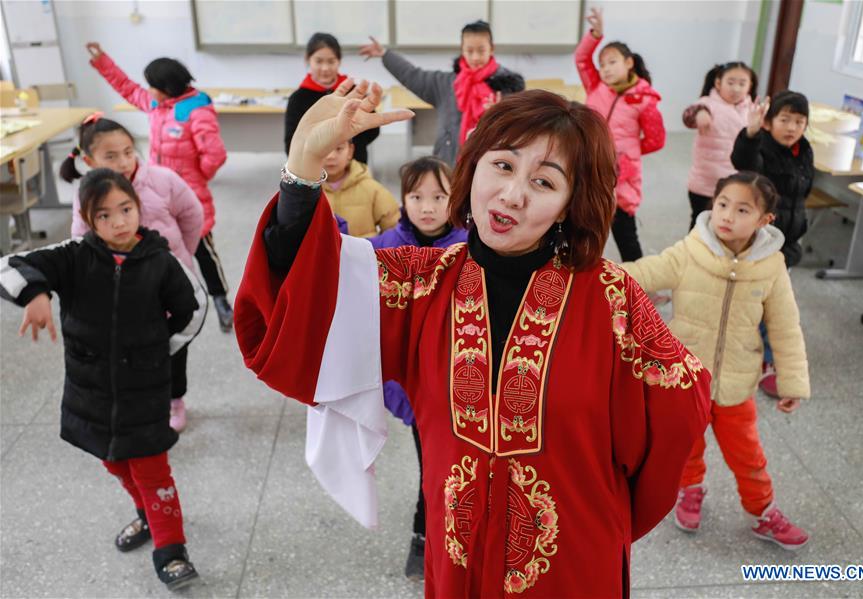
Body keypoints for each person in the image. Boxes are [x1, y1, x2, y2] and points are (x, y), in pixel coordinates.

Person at [234, 80, 711, 597]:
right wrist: (303, 168)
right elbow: (306, 296)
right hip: (457, 555)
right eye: (502, 165)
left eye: (545, 183)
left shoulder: (612, 300)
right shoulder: (418, 284)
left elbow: (677, 410)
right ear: (474, 165)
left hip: (570, 561)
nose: (512, 195)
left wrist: (607, 519)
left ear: (571, 205)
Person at [0, 169, 206, 590]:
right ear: (90, 221)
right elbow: (9, 265)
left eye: (126, 209)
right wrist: (36, 294)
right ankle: (148, 514)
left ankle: (171, 549)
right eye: (105, 215)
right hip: (90, 391)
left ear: (138, 207)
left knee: (153, 471)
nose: (119, 222)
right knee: (114, 459)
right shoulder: (74, 255)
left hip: (145, 391)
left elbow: (195, 307)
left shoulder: (160, 261)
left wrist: (159, 352)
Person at [621, 171, 810, 551]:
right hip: (685, 382)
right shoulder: (690, 251)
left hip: (736, 386)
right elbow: (642, 272)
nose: (727, 215)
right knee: (686, 448)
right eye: (722, 204)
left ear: (764, 221)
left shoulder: (771, 268)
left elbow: (786, 326)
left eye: (742, 210)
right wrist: (591, 274)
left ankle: (763, 511)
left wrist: (792, 382)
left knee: (749, 456)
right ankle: (690, 490)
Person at [61, 114, 203, 432]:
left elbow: (193, 216)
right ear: (88, 160)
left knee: (174, 351)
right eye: (111, 156)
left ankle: (174, 399)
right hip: (124, 297)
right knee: (134, 353)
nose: (124, 162)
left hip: (168, 290)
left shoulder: (163, 180)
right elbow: (81, 243)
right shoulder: (86, 195)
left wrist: (181, 258)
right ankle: (142, 400)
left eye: (128, 151)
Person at [85, 42, 234, 332]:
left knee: (203, 251)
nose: (148, 89)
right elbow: (127, 88)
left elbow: (215, 155)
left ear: (167, 86)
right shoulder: (156, 103)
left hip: (189, 193)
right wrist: (102, 60)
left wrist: (197, 177)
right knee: (159, 246)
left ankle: (221, 300)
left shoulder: (197, 109)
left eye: (153, 85)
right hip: (153, 189)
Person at [368, 155, 467, 580]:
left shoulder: (471, 245)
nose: (427, 207)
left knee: (461, 466)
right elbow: (342, 265)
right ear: (402, 198)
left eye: (439, 197)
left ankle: (462, 536)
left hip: (463, 379)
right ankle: (423, 535)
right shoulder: (387, 244)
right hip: (416, 383)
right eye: (416, 196)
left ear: (456, 198)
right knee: (433, 465)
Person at [731, 90, 814, 397]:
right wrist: (750, 134)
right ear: (769, 122)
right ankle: (768, 361)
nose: (792, 127)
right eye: (784, 119)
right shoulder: (762, 147)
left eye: (799, 121)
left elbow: (804, 192)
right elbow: (743, 163)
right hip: (761, 242)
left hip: (787, 242)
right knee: (767, 304)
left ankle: (759, 351)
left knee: (772, 304)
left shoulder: (804, 150)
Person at [359, 20, 525, 163]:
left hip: (488, 168)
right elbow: (412, 75)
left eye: (481, 50)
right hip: (449, 167)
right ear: (462, 49)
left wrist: (497, 113)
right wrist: (385, 54)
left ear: (492, 48)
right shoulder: (447, 84)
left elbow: (519, 132)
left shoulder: (508, 88)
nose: (475, 57)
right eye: (469, 51)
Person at [574, 6, 665, 262]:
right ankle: (583, 278)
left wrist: (628, 153)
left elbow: (657, 140)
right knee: (585, 228)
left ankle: (639, 283)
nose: (605, 68)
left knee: (625, 234)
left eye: (612, 62)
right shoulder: (595, 85)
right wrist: (595, 34)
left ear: (628, 63)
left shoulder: (644, 99)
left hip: (622, 177)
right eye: (602, 64)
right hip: (590, 167)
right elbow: (582, 59)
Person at [284, 32, 380, 163]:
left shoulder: (355, 92)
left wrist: (349, 148)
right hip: (314, 168)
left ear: (339, 61)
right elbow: (291, 144)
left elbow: (372, 130)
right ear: (308, 59)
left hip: (353, 163)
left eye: (331, 61)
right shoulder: (298, 99)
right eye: (318, 61)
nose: (325, 68)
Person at [683, 62, 757, 229]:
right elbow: (688, 115)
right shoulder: (707, 104)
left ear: (750, 85)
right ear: (718, 83)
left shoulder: (751, 109)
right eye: (730, 83)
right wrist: (699, 114)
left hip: (735, 183)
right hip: (705, 182)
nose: (736, 89)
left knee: (725, 226)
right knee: (699, 225)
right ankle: (691, 255)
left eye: (742, 84)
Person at [320, 139, 399, 237]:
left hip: (362, 251)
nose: (331, 156)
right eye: (325, 149)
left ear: (350, 151)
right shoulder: (306, 190)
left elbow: (395, 230)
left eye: (339, 149)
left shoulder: (372, 189)